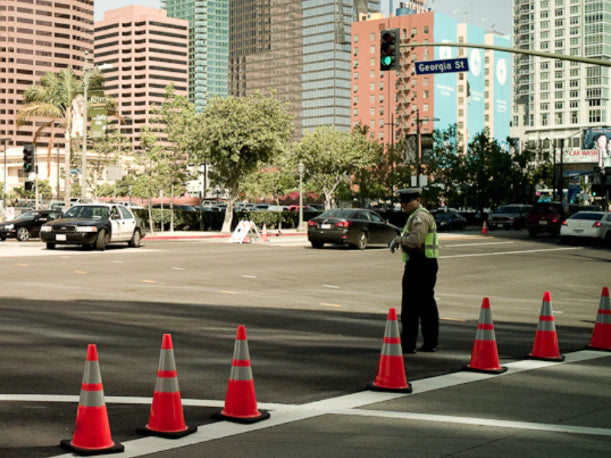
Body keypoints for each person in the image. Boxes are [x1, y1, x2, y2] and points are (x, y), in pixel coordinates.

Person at [390, 188, 439, 353]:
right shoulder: (418, 215)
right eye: (402, 202)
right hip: (425, 264)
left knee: (411, 306)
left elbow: (416, 240)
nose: (403, 205)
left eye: (407, 201)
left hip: (420, 264)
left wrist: (400, 240)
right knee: (426, 305)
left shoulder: (420, 217)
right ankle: (430, 342)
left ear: (417, 200)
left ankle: (409, 344)